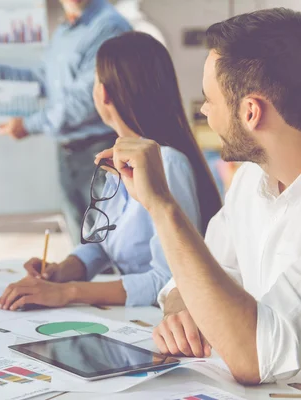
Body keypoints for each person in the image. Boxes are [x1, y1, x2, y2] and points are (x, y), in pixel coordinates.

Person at [98, 8, 301, 385]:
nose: (204, 111)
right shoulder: (250, 183)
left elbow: (254, 359)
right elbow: (204, 269)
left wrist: (161, 205)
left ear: (251, 111)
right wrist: (182, 312)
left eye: (210, 99)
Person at [0, 32, 222, 311]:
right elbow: (102, 244)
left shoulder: (169, 164)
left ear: (102, 93)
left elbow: (169, 279)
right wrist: (63, 270)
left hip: (163, 321)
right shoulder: (119, 155)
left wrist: (67, 292)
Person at [0, 0, 131, 245]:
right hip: (68, 153)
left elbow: (83, 101)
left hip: (99, 151)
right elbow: (42, 79)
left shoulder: (108, 26)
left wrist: (29, 125)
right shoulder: (65, 31)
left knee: (108, 244)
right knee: (83, 242)